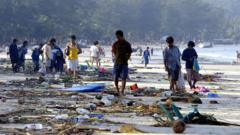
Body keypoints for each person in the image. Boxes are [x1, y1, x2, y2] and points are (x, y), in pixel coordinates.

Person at [112, 30, 133, 96]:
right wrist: (116, 57)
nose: (117, 38)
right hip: (117, 62)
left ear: (121, 36)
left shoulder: (127, 44)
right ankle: (117, 89)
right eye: (116, 37)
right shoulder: (115, 44)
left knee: (124, 77)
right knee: (116, 77)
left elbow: (129, 52)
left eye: (118, 36)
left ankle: (122, 91)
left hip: (124, 62)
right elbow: (114, 52)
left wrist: (127, 58)